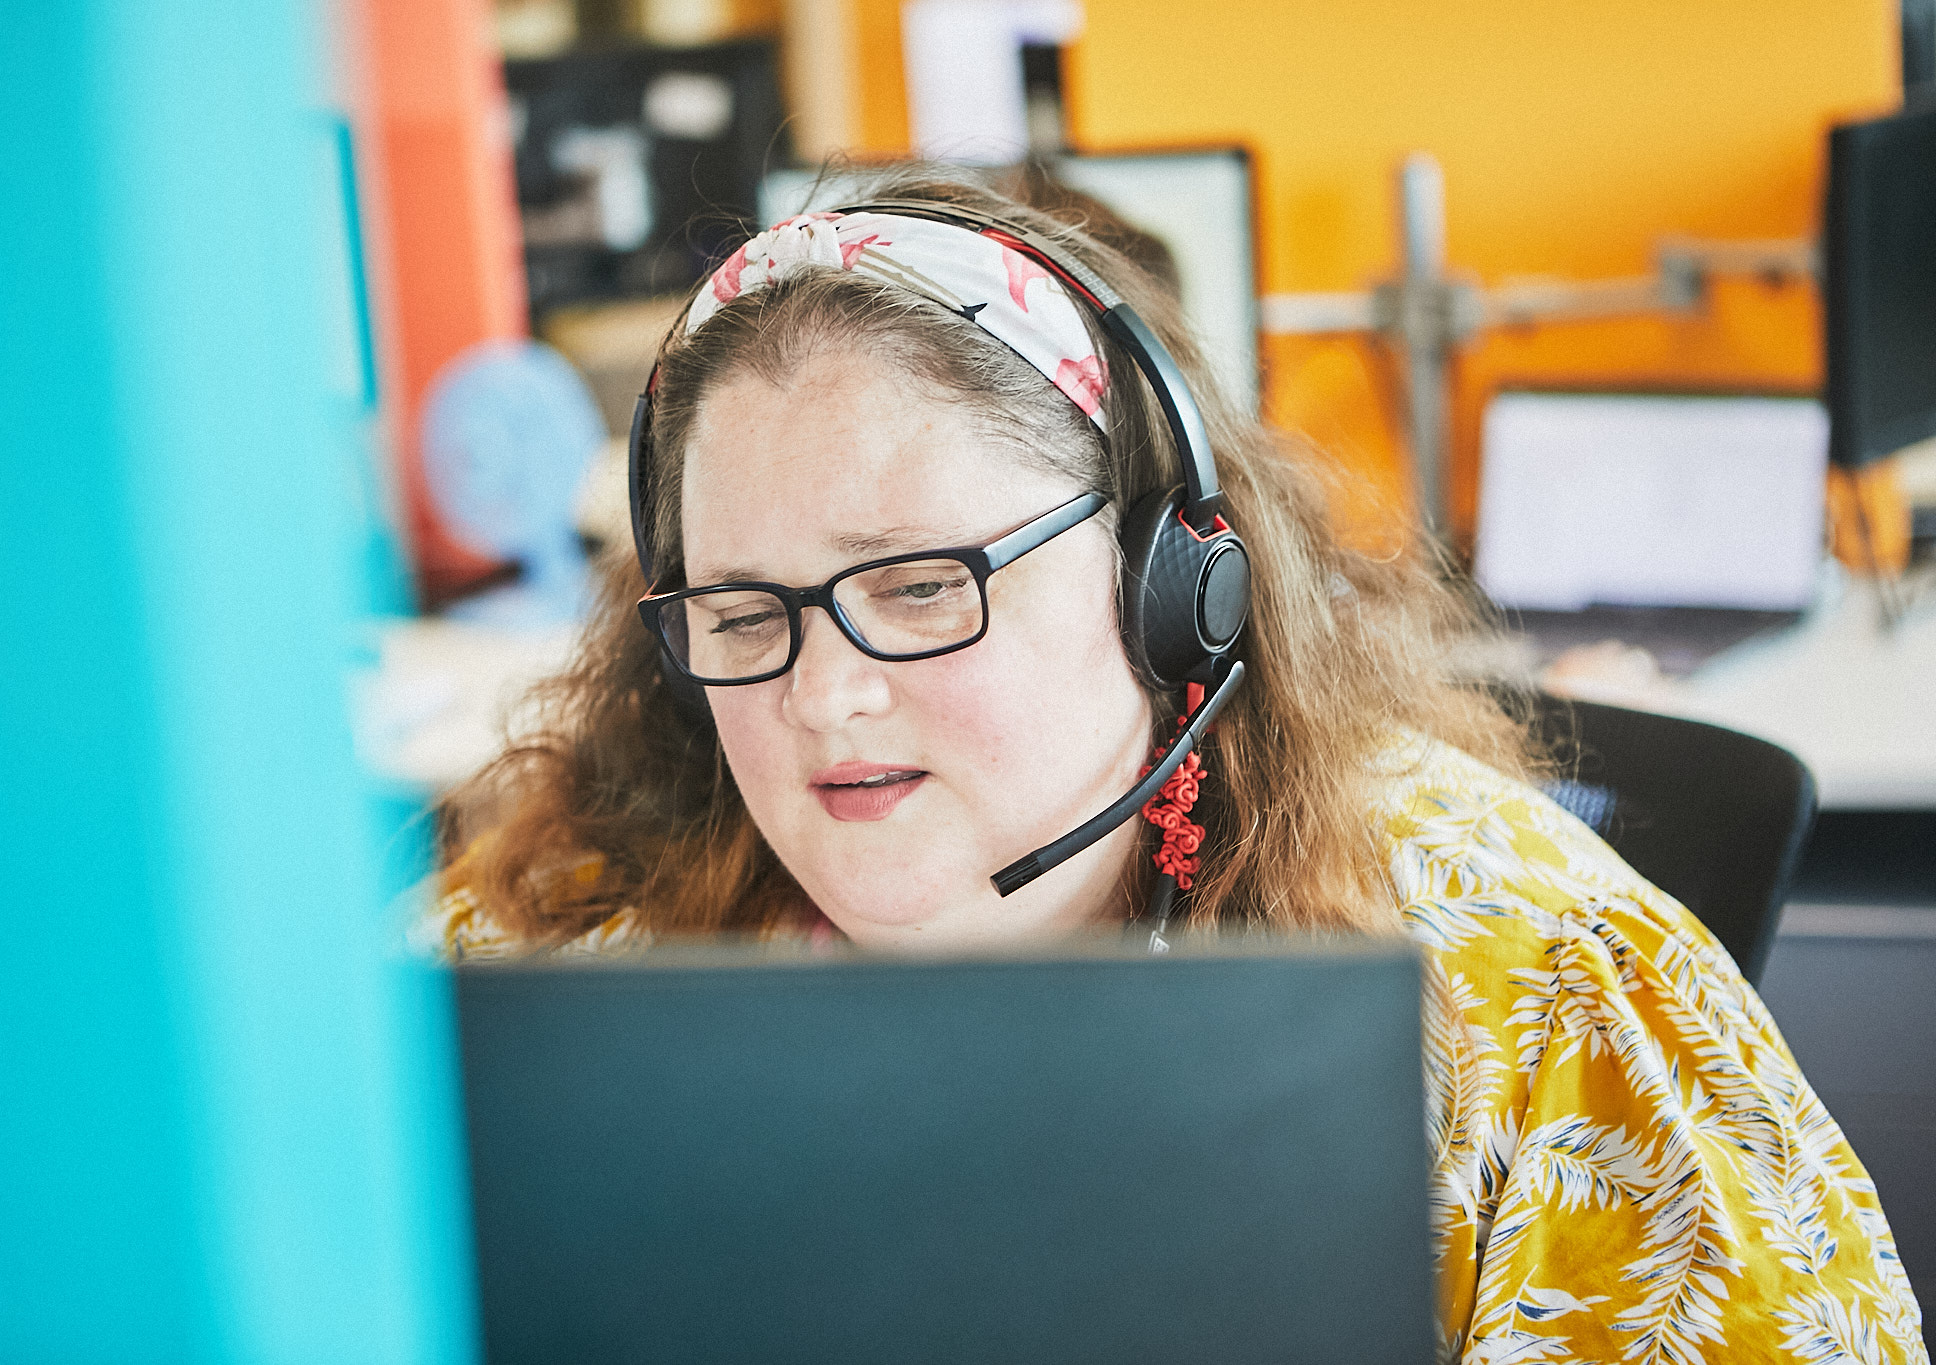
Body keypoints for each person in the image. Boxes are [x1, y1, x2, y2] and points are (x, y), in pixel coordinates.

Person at [421, 172, 1926, 1364]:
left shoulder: (1538, 995)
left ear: (1171, 588)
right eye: (744, 614)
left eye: (923, 588)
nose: (824, 697)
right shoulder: (541, 960)